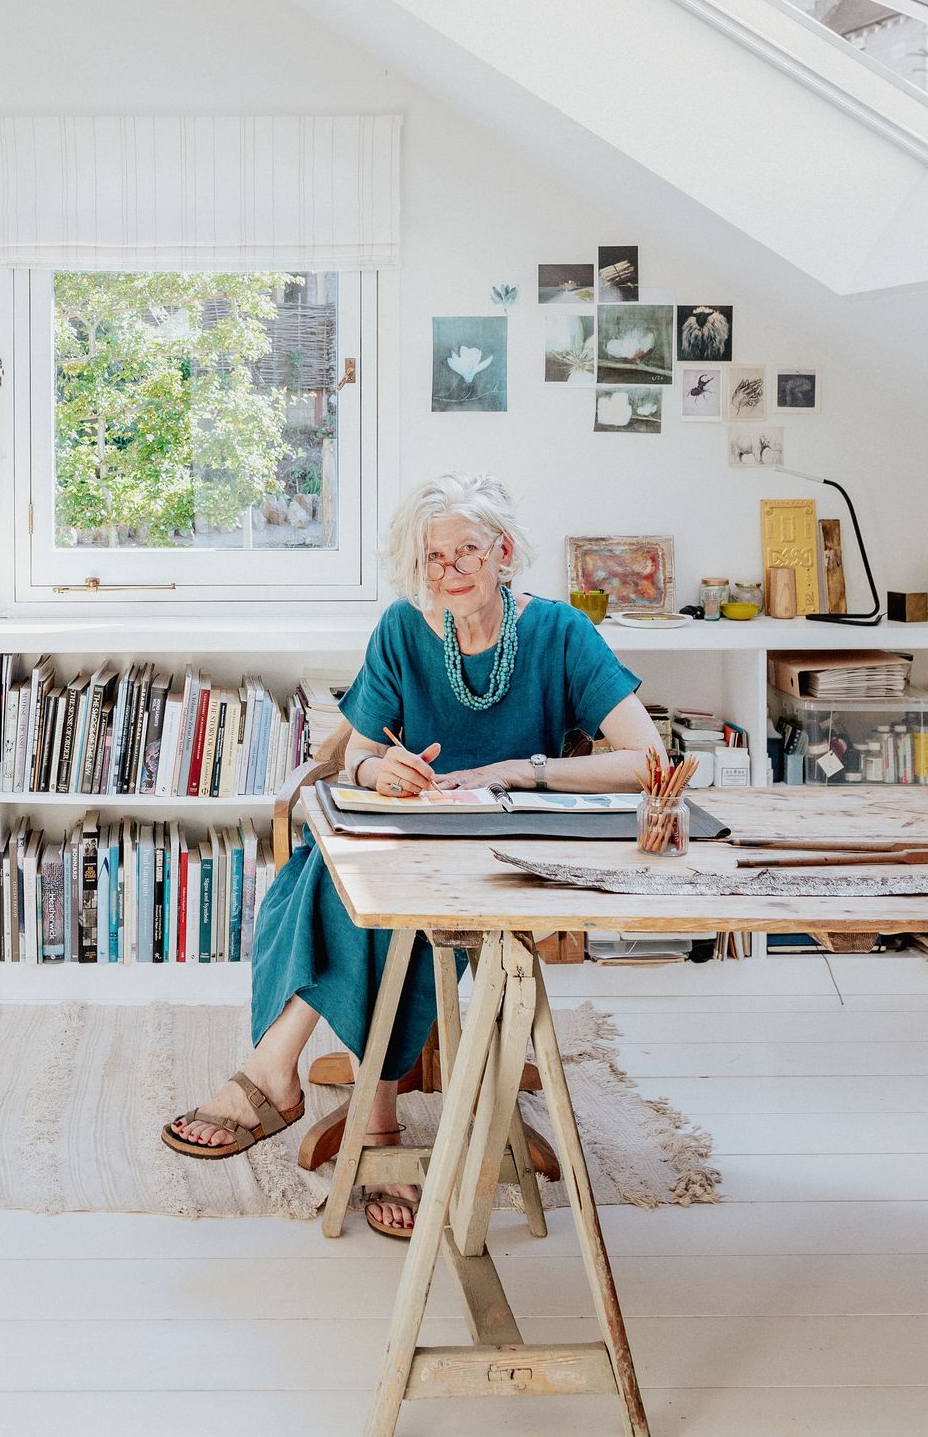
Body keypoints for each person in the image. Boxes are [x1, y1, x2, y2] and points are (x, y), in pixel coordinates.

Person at [161, 473, 664, 1235]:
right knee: (351, 880)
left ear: (503, 551)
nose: (451, 568)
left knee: (364, 893)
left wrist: (518, 768)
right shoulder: (403, 630)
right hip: (409, 841)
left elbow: (646, 760)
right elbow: (358, 757)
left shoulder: (560, 633)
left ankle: (325, 1101)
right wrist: (377, 771)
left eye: (468, 549)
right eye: (434, 556)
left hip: (508, 854)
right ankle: (343, 1108)